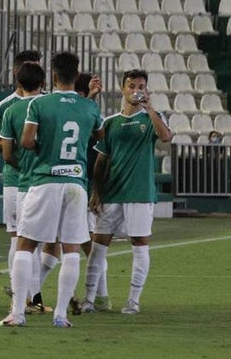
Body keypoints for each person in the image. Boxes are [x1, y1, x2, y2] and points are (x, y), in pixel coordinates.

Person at [0, 51, 103, 329]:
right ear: (76, 73)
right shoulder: (88, 107)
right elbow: (100, 135)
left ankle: (18, 312)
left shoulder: (39, 104)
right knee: (70, 248)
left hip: (45, 179)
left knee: (25, 243)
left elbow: (27, 140)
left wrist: (46, 147)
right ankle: (61, 315)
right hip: (76, 182)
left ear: (53, 76)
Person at [83, 69, 172, 315]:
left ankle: (133, 301)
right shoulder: (110, 122)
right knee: (98, 246)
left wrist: (150, 108)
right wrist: (96, 192)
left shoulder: (151, 118)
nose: (136, 90)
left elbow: (166, 137)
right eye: (131, 86)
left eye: (141, 86)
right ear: (123, 89)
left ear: (146, 89)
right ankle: (89, 300)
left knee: (140, 244)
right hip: (111, 193)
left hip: (140, 193)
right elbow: (101, 161)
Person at [0, 58, 46, 309]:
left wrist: (23, 165)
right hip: (41, 182)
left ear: (18, 80)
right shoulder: (48, 106)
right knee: (36, 242)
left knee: (18, 239)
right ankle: (32, 298)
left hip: (15, 181)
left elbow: (4, 153)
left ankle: (21, 297)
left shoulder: (9, 109)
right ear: (44, 81)